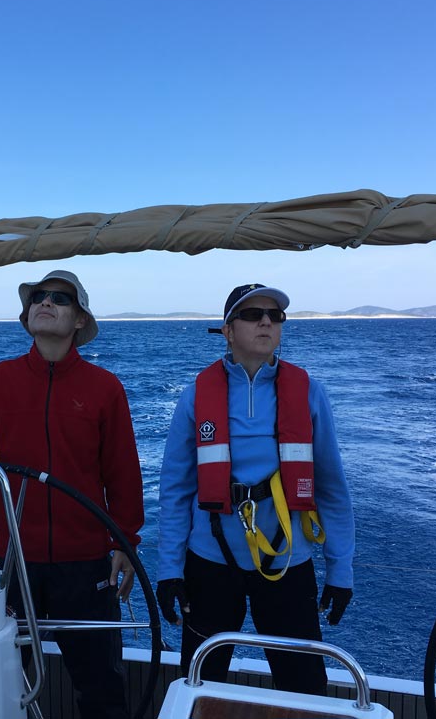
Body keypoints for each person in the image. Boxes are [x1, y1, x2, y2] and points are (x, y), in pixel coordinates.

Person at [0, 269, 144, 719]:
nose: (46, 302)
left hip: (85, 564)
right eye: (38, 296)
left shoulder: (105, 389)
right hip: (9, 561)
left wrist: (125, 542)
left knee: (101, 687)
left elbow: (122, 473)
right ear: (26, 316)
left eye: (60, 298)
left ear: (80, 319)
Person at [155, 282, 355, 696]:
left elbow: (332, 488)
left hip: (288, 562)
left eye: (274, 316)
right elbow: (175, 490)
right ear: (227, 331)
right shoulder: (195, 397)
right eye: (252, 314)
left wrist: (340, 570)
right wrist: (170, 570)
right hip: (210, 563)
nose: (266, 321)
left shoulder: (309, 393)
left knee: (304, 688)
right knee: (200, 683)